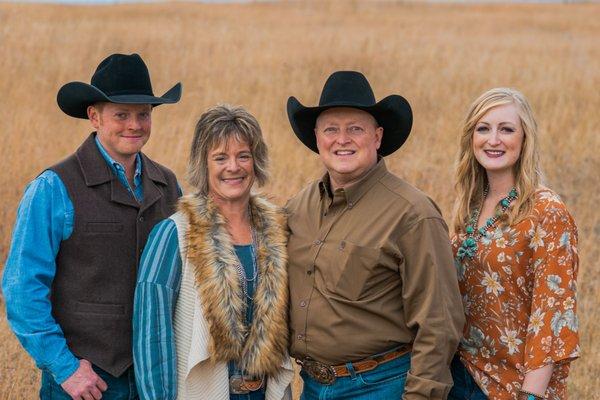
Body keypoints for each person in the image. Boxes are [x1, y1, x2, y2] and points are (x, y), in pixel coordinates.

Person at [2, 53, 182, 399]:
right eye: (121, 114)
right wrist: (65, 368)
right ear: (94, 117)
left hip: (153, 380)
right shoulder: (54, 187)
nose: (134, 125)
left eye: (143, 114)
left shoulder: (168, 185)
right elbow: (22, 289)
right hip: (85, 383)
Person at [285, 71, 465, 399]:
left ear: (377, 136)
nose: (342, 140)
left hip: (381, 385)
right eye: (331, 129)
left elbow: (439, 323)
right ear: (317, 137)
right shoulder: (298, 208)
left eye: (355, 128)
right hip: (311, 386)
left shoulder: (413, 214)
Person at [133, 104, 293, 400]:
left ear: (255, 162)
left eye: (243, 156)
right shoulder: (174, 234)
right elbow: (151, 340)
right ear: (203, 165)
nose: (233, 167)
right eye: (220, 157)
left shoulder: (277, 233)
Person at [448, 88, 579, 400]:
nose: (493, 140)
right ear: (471, 137)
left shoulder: (546, 211)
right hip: (458, 374)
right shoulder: (470, 205)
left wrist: (530, 395)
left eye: (506, 129)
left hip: (510, 387)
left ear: (524, 139)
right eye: (483, 128)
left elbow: (550, 315)